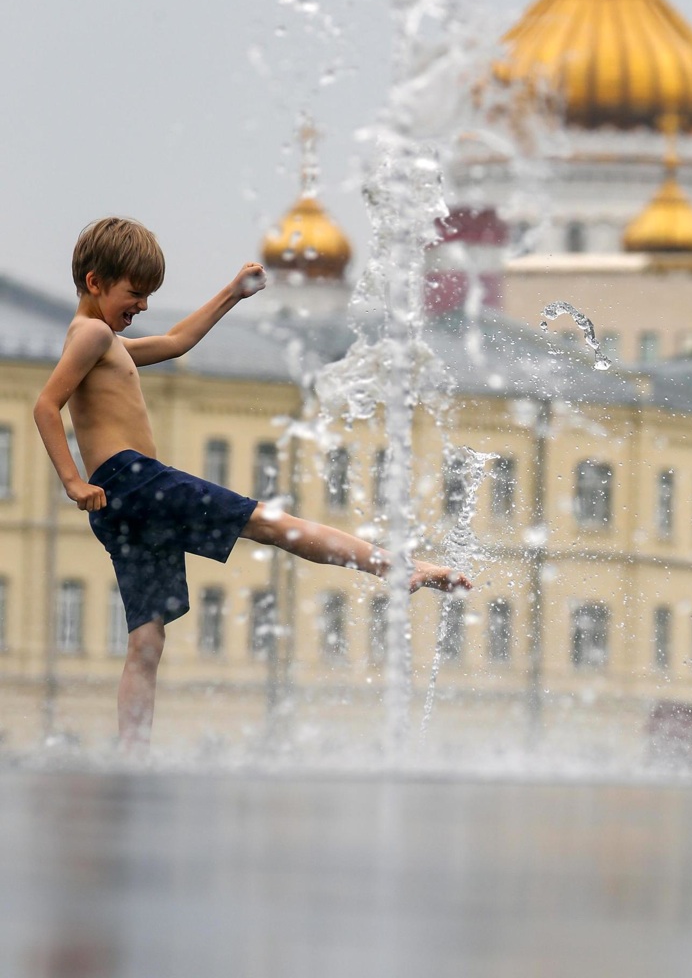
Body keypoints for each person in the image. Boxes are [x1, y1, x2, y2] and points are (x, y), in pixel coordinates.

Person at [33, 217, 471, 750]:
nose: (142, 306)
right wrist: (72, 481)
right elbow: (45, 405)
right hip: (136, 481)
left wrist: (232, 294)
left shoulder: (104, 340)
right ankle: (394, 565)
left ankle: (132, 753)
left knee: (146, 642)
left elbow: (175, 342)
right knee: (270, 522)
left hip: (123, 506)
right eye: (135, 293)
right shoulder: (94, 333)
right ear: (96, 281)